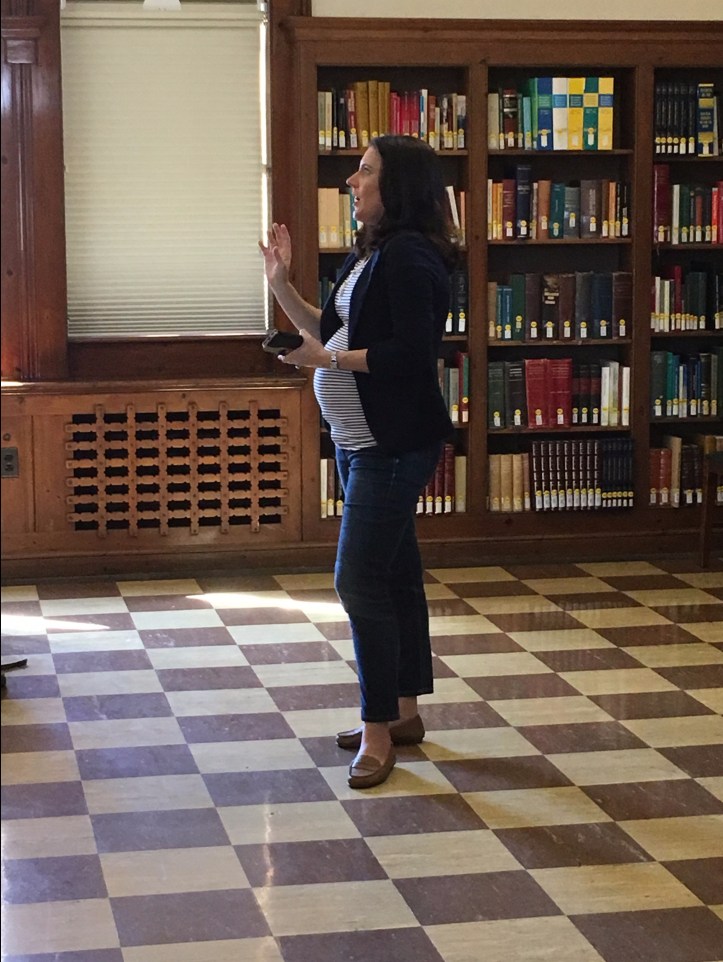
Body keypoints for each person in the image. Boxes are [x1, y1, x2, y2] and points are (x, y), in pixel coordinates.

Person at [259, 135, 457, 789]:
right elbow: (332, 331)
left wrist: (330, 361)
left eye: (365, 171)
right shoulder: (370, 252)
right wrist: (281, 285)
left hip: (390, 447)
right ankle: (403, 712)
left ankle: (377, 733)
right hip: (356, 442)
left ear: (396, 185)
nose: (351, 181)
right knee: (395, 577)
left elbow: (411, 355)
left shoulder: (410, 257)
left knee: (358, 582)